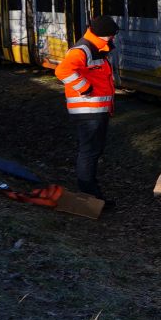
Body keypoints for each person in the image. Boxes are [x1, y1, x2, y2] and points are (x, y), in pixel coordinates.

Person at [55, 15, 118, 201]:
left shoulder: (95, 48)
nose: (113, 38)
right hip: (89, 111)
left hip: (95, 110)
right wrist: (85, 88)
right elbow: (62, 71)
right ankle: (90, 197)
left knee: (92, 151)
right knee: (89, 152)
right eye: (111, 35)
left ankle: (92, 195)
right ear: (102, 34)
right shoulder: (83, 50)